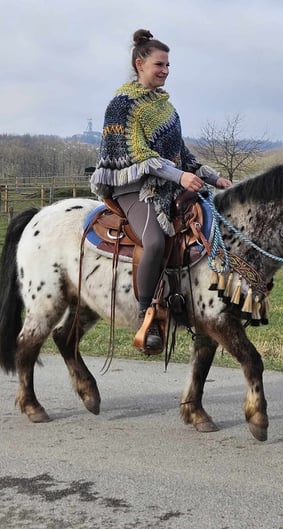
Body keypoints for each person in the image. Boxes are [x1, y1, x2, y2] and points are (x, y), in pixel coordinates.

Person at [90, 29, 232, 353]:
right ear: (140, 64)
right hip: (130, 189)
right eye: (160, 65)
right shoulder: (121, 106)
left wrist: (214, 179)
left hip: (166, 184)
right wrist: (180, 177)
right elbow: (142, 158)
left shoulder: (166, 108)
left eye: (168, 65)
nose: (166, 71)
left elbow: (182, 153)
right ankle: (147, 314)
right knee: (154, 239)